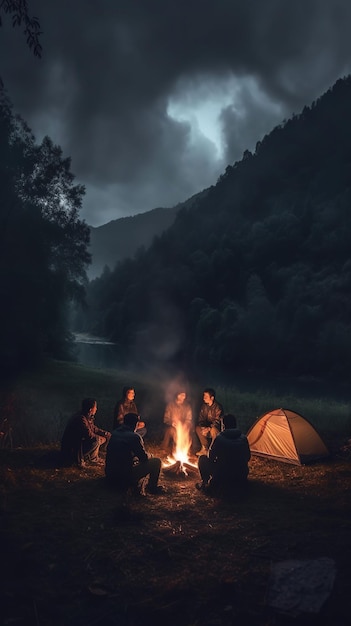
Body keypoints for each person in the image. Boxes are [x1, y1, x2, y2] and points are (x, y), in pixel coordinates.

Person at [105, 413, 164, 495]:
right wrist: (150, 455)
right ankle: (152, 488)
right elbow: (143, 458)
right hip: (124, 476)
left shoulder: (114, 433)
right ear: (135, 424)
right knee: (156, 461)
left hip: (110, 474)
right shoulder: (134, 437)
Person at [196, 413, 251, 497]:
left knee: (202, 459)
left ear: (223, 426)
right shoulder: (243, 438)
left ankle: (205, 483)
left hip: (223, 475)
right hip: (241, 474)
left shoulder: (220, 438)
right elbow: (247, 457)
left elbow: (210, 456)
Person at [61, 398, 111, 467]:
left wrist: (104, 433)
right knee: (96, 440)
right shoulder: (81, 419)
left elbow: (93, 428)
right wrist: (99, 438)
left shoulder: (87, 416)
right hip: (73, 448)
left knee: (100, 438)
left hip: (80, 444)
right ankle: (91, 458)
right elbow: (89, 435)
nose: (96, 409)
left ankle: (93, 457)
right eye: (95, 407)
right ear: (90, 409)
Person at [161, 389, 193, 456]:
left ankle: (184, 450)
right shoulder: (170, 405)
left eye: (184, 395)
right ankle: (164, 448)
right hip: (173, 426)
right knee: (169, 431)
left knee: (186, 432)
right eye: (182, 395)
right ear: (177, 395)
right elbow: (166, 418)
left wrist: (185, 425)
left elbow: (189, 419)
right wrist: (172, 423)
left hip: (183, 427)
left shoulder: (187, 406)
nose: (183, 397)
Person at [195, 387, 224, 455]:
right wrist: (203, 427)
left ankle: (215, 450)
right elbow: (201, 419)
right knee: (198, 428)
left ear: (212, 398)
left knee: (213, 430)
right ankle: (205, 448)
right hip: (207, 428)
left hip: (216, 429)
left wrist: (209, 428)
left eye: (206, 396)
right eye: (204, 395)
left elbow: (218, 421)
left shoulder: (218, 407)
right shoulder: (204, 406)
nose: (204, 398)